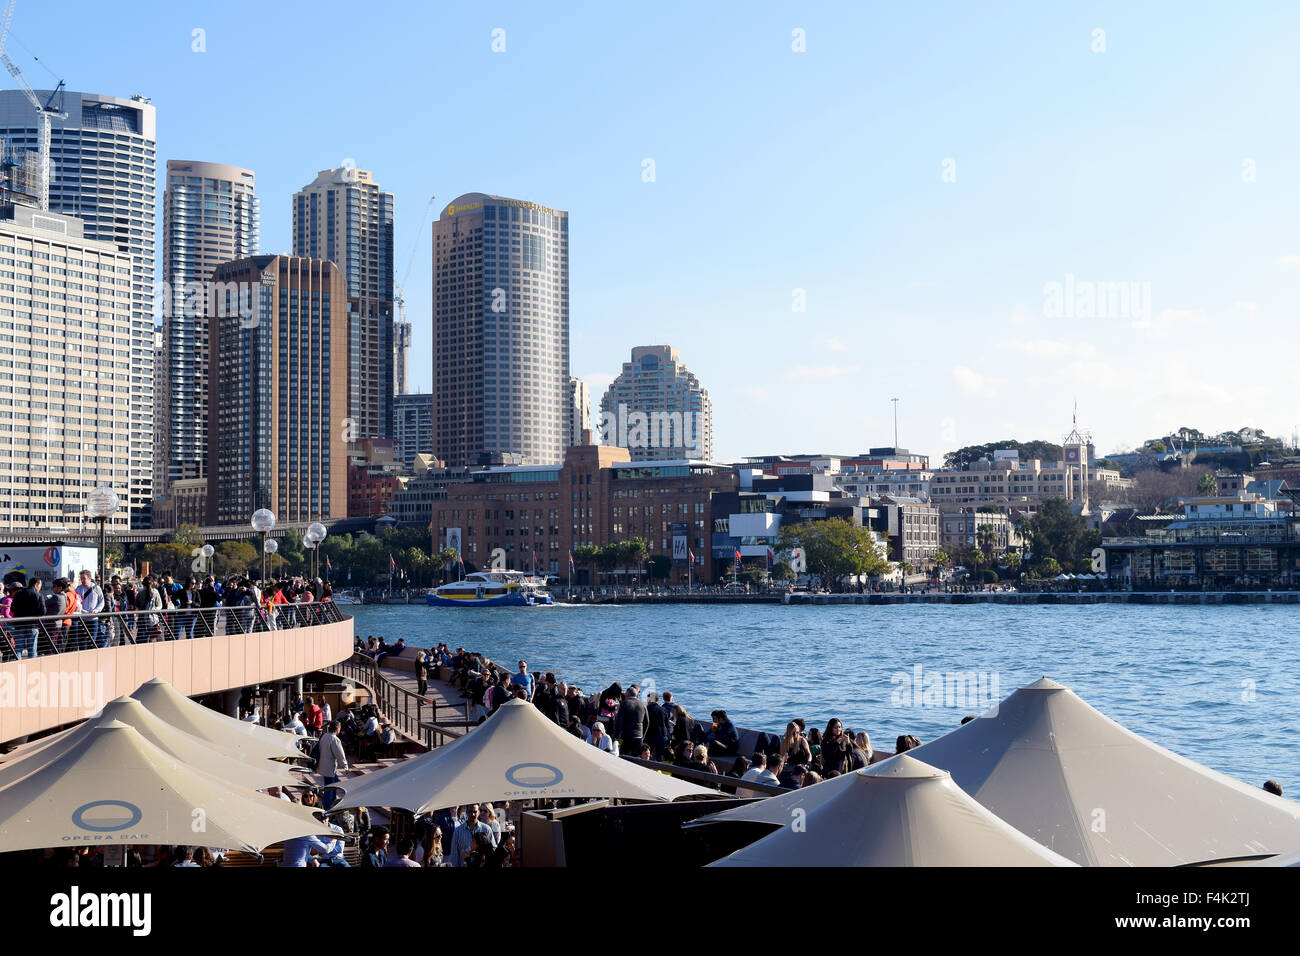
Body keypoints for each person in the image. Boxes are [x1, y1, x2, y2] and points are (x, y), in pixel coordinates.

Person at [316, 720, 348, 810]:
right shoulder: (334, 739)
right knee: (329, 789)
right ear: (337, 729)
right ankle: (327, 808)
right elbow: (339, 754)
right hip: (330, 767)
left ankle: (332, 804)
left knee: (333, 784)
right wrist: (345, 765)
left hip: (323, 766)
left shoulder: (324, 736)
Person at [614, 684, 649, 757]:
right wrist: (643, 735)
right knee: (636, 757)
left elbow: (619, 721)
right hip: (639, 736)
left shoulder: (624, 704)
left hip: (627, 736)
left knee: (624, 756)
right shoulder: (642, 704)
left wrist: (617, 736)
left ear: (627, 694)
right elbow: (647, 722)